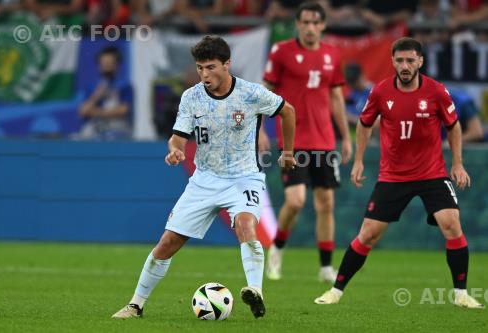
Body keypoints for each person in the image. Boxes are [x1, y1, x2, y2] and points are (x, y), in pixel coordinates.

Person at [112, 35, 296, 319]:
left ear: (227, 64)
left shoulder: (251, 93)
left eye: (210, 67)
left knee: (246, 225)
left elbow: (288, 111)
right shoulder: (191, 97)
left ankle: (255, 291)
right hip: (204, 179)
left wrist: (288, 152)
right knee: (167, 243)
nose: (204, 74)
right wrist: (174, 151)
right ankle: (135, 305)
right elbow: (177, 139)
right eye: (200, 68)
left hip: (244, 177)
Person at [314, 37, 485, 309]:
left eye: (410, 60)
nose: (405, 65)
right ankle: (336, 291)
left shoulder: (436, 91)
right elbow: (364, 123)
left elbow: (453, 126)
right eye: (400, 60)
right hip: (393, 175)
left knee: (452, 224)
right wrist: (358, 161)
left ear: (420, 61)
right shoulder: (380, 92)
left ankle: (461, 293)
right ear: (393, 61)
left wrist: (457, 163)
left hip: (432, 173)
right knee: (368, 234)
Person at [260, 1, 352, 283]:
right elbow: (266, 91)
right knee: (297, 200)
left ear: (323, 25)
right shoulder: (282, 51)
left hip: (324, 140)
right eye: (305, 22)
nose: (310, 27)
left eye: (315, 22)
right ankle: (276, 248)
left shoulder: (332, 54)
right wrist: (261, 129)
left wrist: (346, 136)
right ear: (298, 24)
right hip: (293, 140)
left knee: (326, 204)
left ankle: (325, 267)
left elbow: (336, 97)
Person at [76, 46, 133, 140]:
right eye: (103, 63)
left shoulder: (124, 86)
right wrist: (97, 96)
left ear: (117, 65)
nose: (106, 67)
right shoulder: (92, 87)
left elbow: (123, 110)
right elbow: (83, 111)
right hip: (96, 130)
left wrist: (95, 112)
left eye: (109, 64)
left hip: (118, 130)